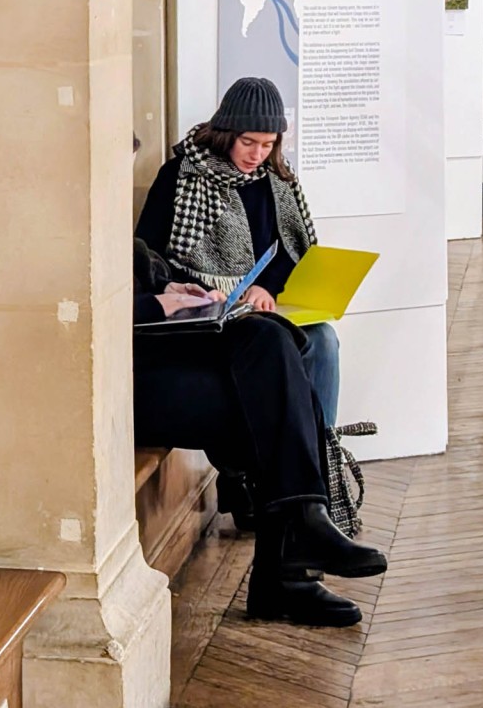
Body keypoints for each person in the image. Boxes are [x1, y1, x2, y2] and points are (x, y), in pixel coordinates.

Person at [133, 235, 388, 627]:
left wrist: (168, 287)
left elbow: (137, 257)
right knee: (272, 393)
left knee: (268, 337)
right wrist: (151, 305)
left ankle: (301, 538)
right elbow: (68, 309)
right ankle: (289, 568)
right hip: (121, 376)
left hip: (157, 338)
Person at [135, 77, 340, 425]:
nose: (257, 155)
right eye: (248, 142)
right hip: (208, 312)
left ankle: (322, 451)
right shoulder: (179, 177)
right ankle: (249, 466)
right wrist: (201, 292)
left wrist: (266, 287)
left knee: (322, 340)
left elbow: (290, 251)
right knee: (268, 350)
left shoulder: (276, 180)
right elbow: (149, 257)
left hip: (262, 307)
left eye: (267, 144)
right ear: (227, 132)